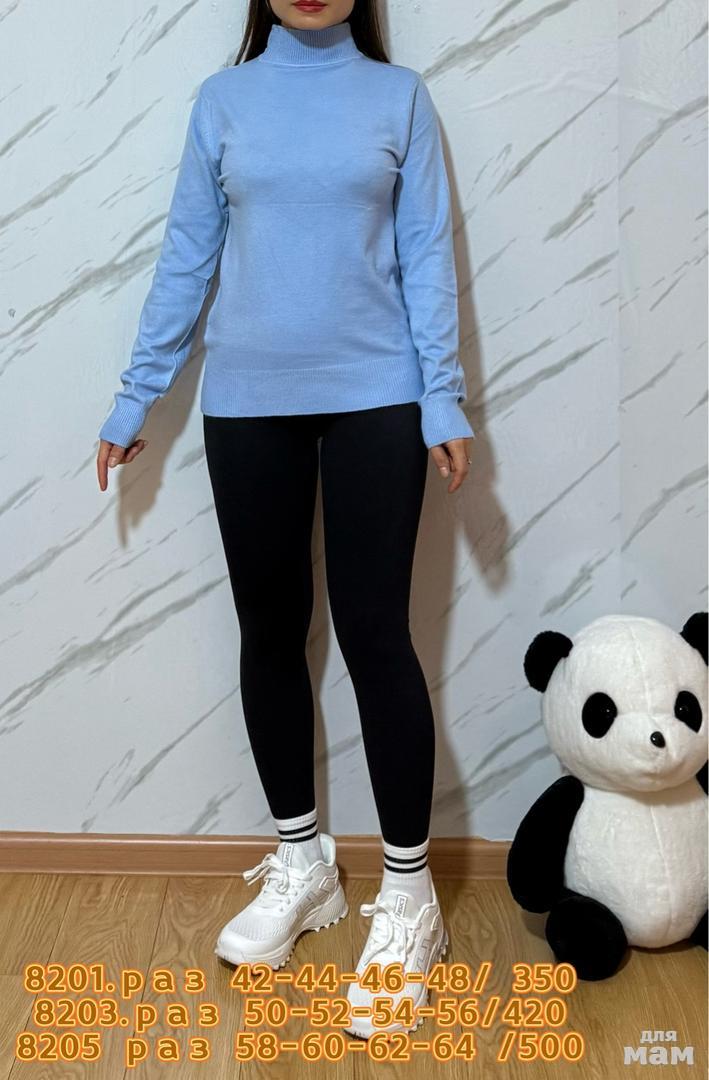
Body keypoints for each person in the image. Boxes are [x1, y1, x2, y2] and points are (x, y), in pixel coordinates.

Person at [96, 0, 475, 1039]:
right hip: (247, 401)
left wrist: (443, 397)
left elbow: (426, 254)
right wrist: (135, 397)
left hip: (377, 398)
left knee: (375, 635)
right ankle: (303, 863)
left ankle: (410, 900)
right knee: (268, 631)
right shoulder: (222, 102)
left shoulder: (399, 98)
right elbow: (187, 256)